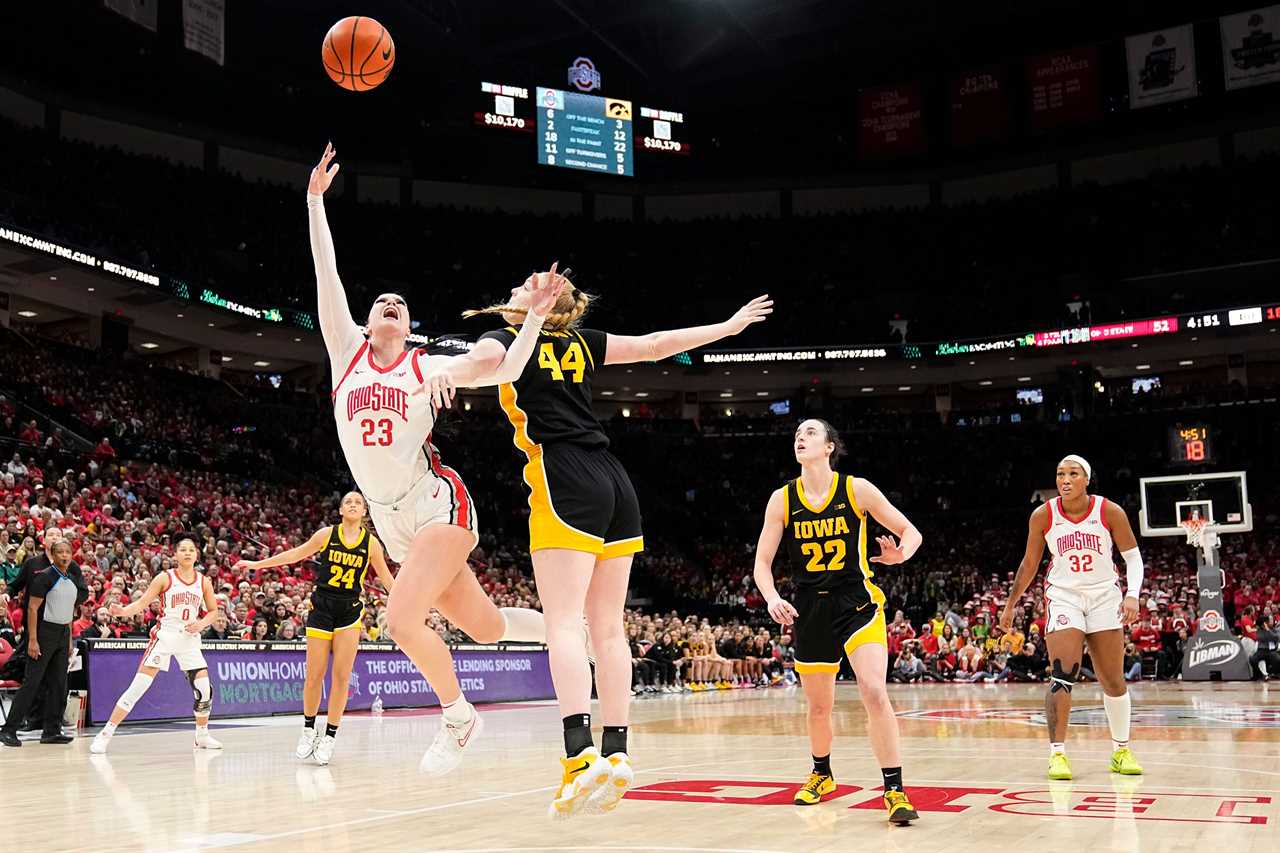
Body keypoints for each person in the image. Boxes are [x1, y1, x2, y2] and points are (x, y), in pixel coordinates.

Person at [460, 260, 771, 818]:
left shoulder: (506, 335)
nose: (509, 291)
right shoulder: (579, 341)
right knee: (607, 628)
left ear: (537, 304)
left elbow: (490, 366)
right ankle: (619, 753)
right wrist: (725, 328)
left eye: (518, 289)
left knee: (562, 623)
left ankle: (579, 757)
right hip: (614, 479)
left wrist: (439, 371)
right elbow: (656, 345)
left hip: (563, 472)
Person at [307, 143, 561, 775]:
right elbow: (327, 277)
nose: (389, 302)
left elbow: (502, 363)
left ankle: (457, 715)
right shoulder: (346, 355)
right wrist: (315, 202)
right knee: (485, 628)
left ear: (410, 324)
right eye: (380, 301)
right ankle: (570, 627)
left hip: (435, 502)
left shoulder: (427, 365)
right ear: (365, 325)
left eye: (400, 302)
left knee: (399, 620)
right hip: (390, 521)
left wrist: (530, 318)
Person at [753, 419, 921, 824]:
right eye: (797, 433)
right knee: (818, 708)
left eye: (810, 432)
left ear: (830, 447)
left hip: (857, 603)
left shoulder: (856, 489)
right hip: (810, 607)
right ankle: (822, 775)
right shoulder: (782, 499)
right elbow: (761, 563)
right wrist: (772, 596)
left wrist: (900, 554)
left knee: (874, 691)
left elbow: (910, 531)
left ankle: (894, 790)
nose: (801, 437)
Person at [1000, 454, 1144, 780]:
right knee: (1063, 674)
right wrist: (1011, 604)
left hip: (1105, 596)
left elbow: (1133, 559)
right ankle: (1058, 755)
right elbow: (1029, 564)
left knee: (1113, 681)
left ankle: (1120, 750)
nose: (1065, 479)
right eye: (1060, 474)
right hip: (1064, 597)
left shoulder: (1109, 511)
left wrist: (1132, 594)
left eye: (1073, 473)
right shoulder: (1043, 516)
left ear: (1087, 479)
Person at [235, 491, 395, 766]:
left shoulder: (372, 545)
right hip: (321, 608)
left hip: (349, 611)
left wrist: (414, 604)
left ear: (365, 512)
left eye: (359, 502)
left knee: (342, 677)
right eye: (348, 501)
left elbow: (389, 582)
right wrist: (256, 565)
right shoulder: (326, 535)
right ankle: (309, 729)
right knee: (314, 675)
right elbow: (294, 555)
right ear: (341, 510)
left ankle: (330, 736)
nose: (354, 504)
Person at [90, 536, 221, 754]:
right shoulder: (164, 578)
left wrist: (201, 624)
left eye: (191, 549)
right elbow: (142, 603)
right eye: (183, 549)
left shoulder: (203, 581)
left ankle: (202, 735)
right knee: (138, 686)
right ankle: (105, 733)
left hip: (189, 639)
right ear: (175, 554)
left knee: (204, 689)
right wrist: (123, 611)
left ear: (196, 554)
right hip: (165, 636)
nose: (188, 553)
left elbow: (214, 611)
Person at [0, 541, 88, 747]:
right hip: (43, 632)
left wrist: (67, 641)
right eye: (60, 552)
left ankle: (51, 731)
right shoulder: (44, 576)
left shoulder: (72, 578)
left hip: (62, 632)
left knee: (59, 684)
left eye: (68, 552)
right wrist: (32, 640)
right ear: (53, 554)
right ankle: (9, 729)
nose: (65, 556)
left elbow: (68, 611)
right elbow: (32, 608)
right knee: (32, 682)